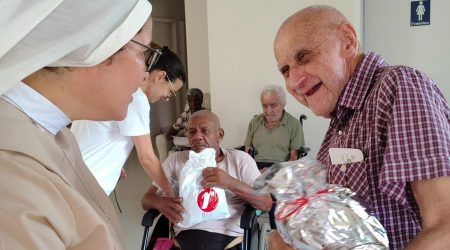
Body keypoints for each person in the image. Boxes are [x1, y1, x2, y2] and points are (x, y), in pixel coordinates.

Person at [273, 4, 450, 249]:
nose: (294, 81)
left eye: (304, 56)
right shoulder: (339, 123)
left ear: (348, 40)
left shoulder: (398, 87)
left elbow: (445, 227)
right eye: (285, 70)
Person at [0, 0, 154, 249]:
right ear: (95, 45)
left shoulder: (59, 135)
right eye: (143, 53)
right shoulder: (10, 176)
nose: (145, 73)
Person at [142, 110, 272, 250]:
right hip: (184, 239)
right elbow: (146, 200)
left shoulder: (240, 160)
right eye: (192, 132)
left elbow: (266, 203)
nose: (198, 136)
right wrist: (161, 202)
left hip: (229, 240)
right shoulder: (176, 161)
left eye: (204, 131)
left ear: (219, 135)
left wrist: (229, 183)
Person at [71, 45, 186, 196]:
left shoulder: (117, 86)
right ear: (159, 76)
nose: (167, 98)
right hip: (88, 186)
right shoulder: (136, 98)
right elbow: (147, 158)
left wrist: (115, 162)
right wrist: (171, 193)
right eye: (170, 91)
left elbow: (97, 130)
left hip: (72, 174)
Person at [244, 84, 304, 171]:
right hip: (255, 168)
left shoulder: (294, 124)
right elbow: (247, 155)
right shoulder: (254, 122)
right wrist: (252, 170)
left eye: (273, 106)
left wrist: (272, 171)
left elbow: (293, 159)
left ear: (283, 104)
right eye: (264, 106)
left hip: (281, 169)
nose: (268, 111)